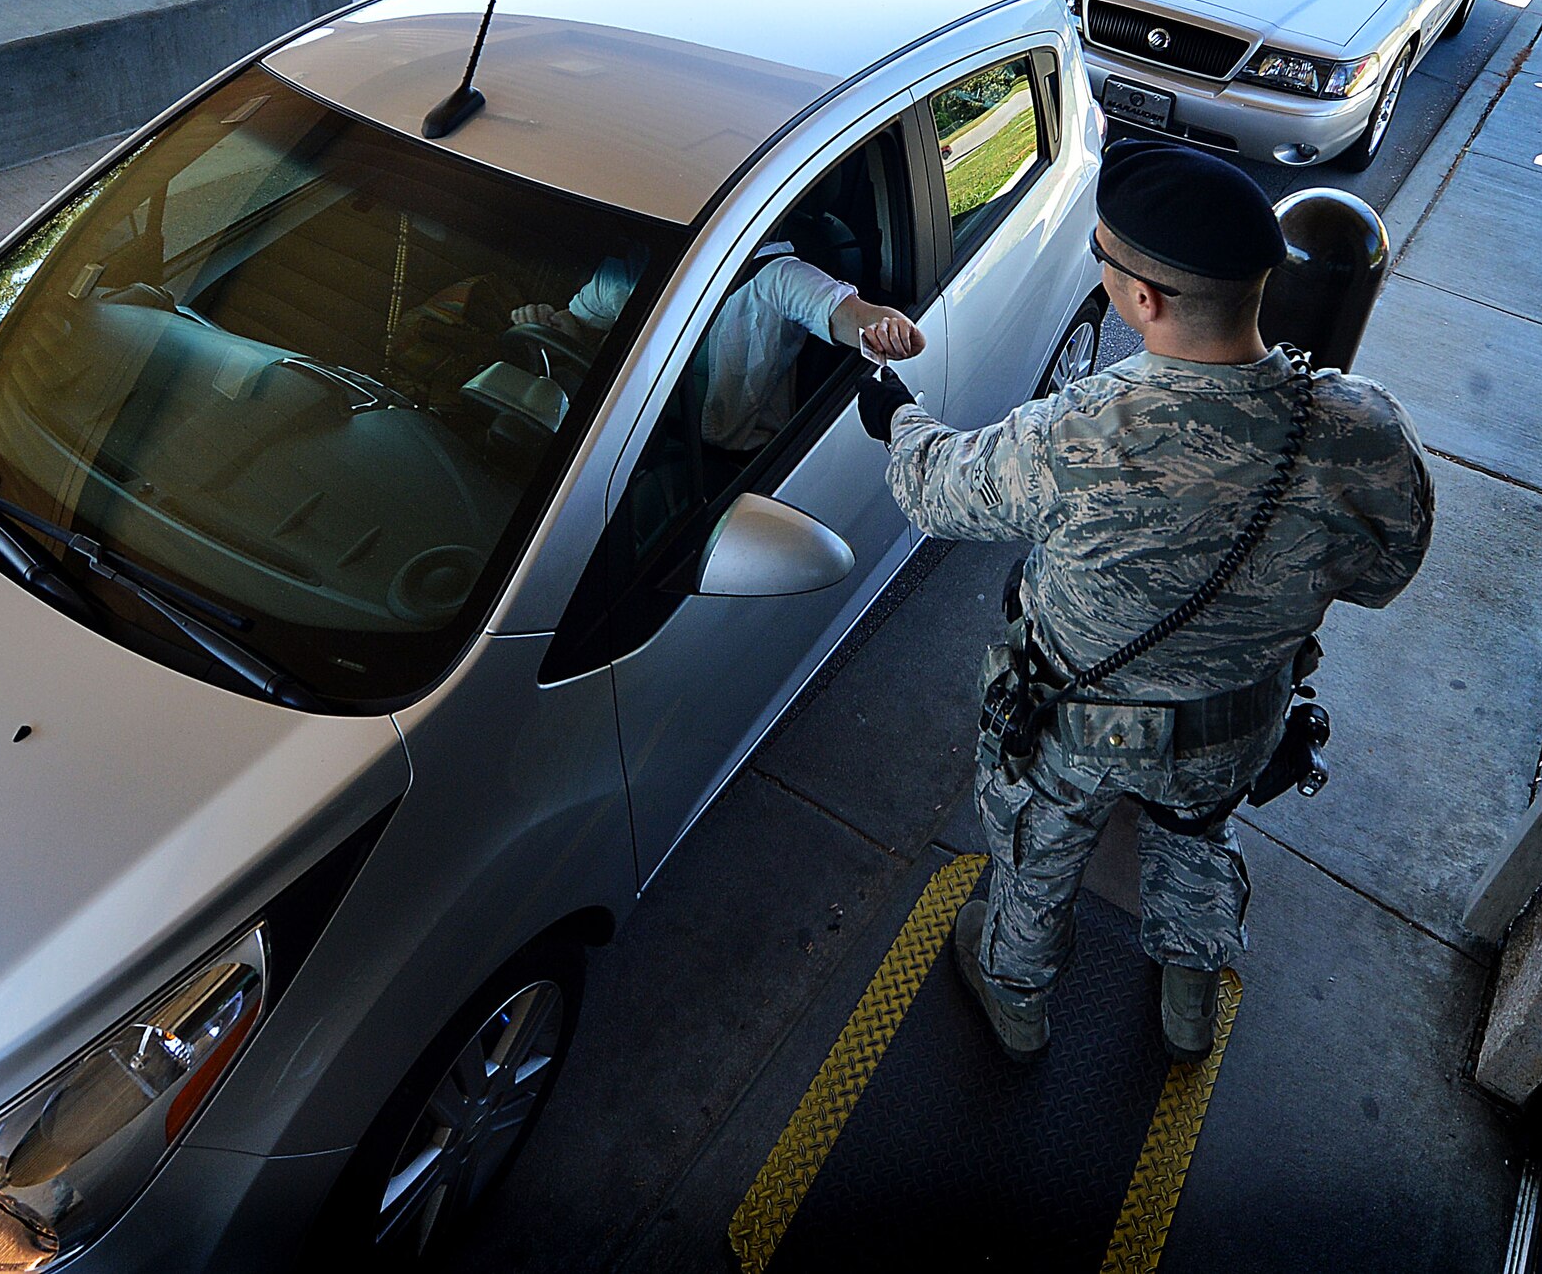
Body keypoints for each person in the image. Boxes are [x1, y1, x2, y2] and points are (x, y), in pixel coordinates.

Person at [850, 139, 1434, 1064]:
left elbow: (936, 492)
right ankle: (1191, 992)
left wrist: (899, 416)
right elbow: (1383, 578)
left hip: (1072, 725)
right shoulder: (1364, 430)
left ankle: (1015, 994)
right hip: (1235, 725)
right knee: (1196, 831)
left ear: (1144, 299)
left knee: (1038, 852)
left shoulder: (1077, 430)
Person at [514, 241, 911, 460]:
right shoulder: (629, 267)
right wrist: (547, 321)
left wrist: (887, 328)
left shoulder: (777, 279)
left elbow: (851, 315)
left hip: (730, 462)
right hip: (632, 440)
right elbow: (578, 325)